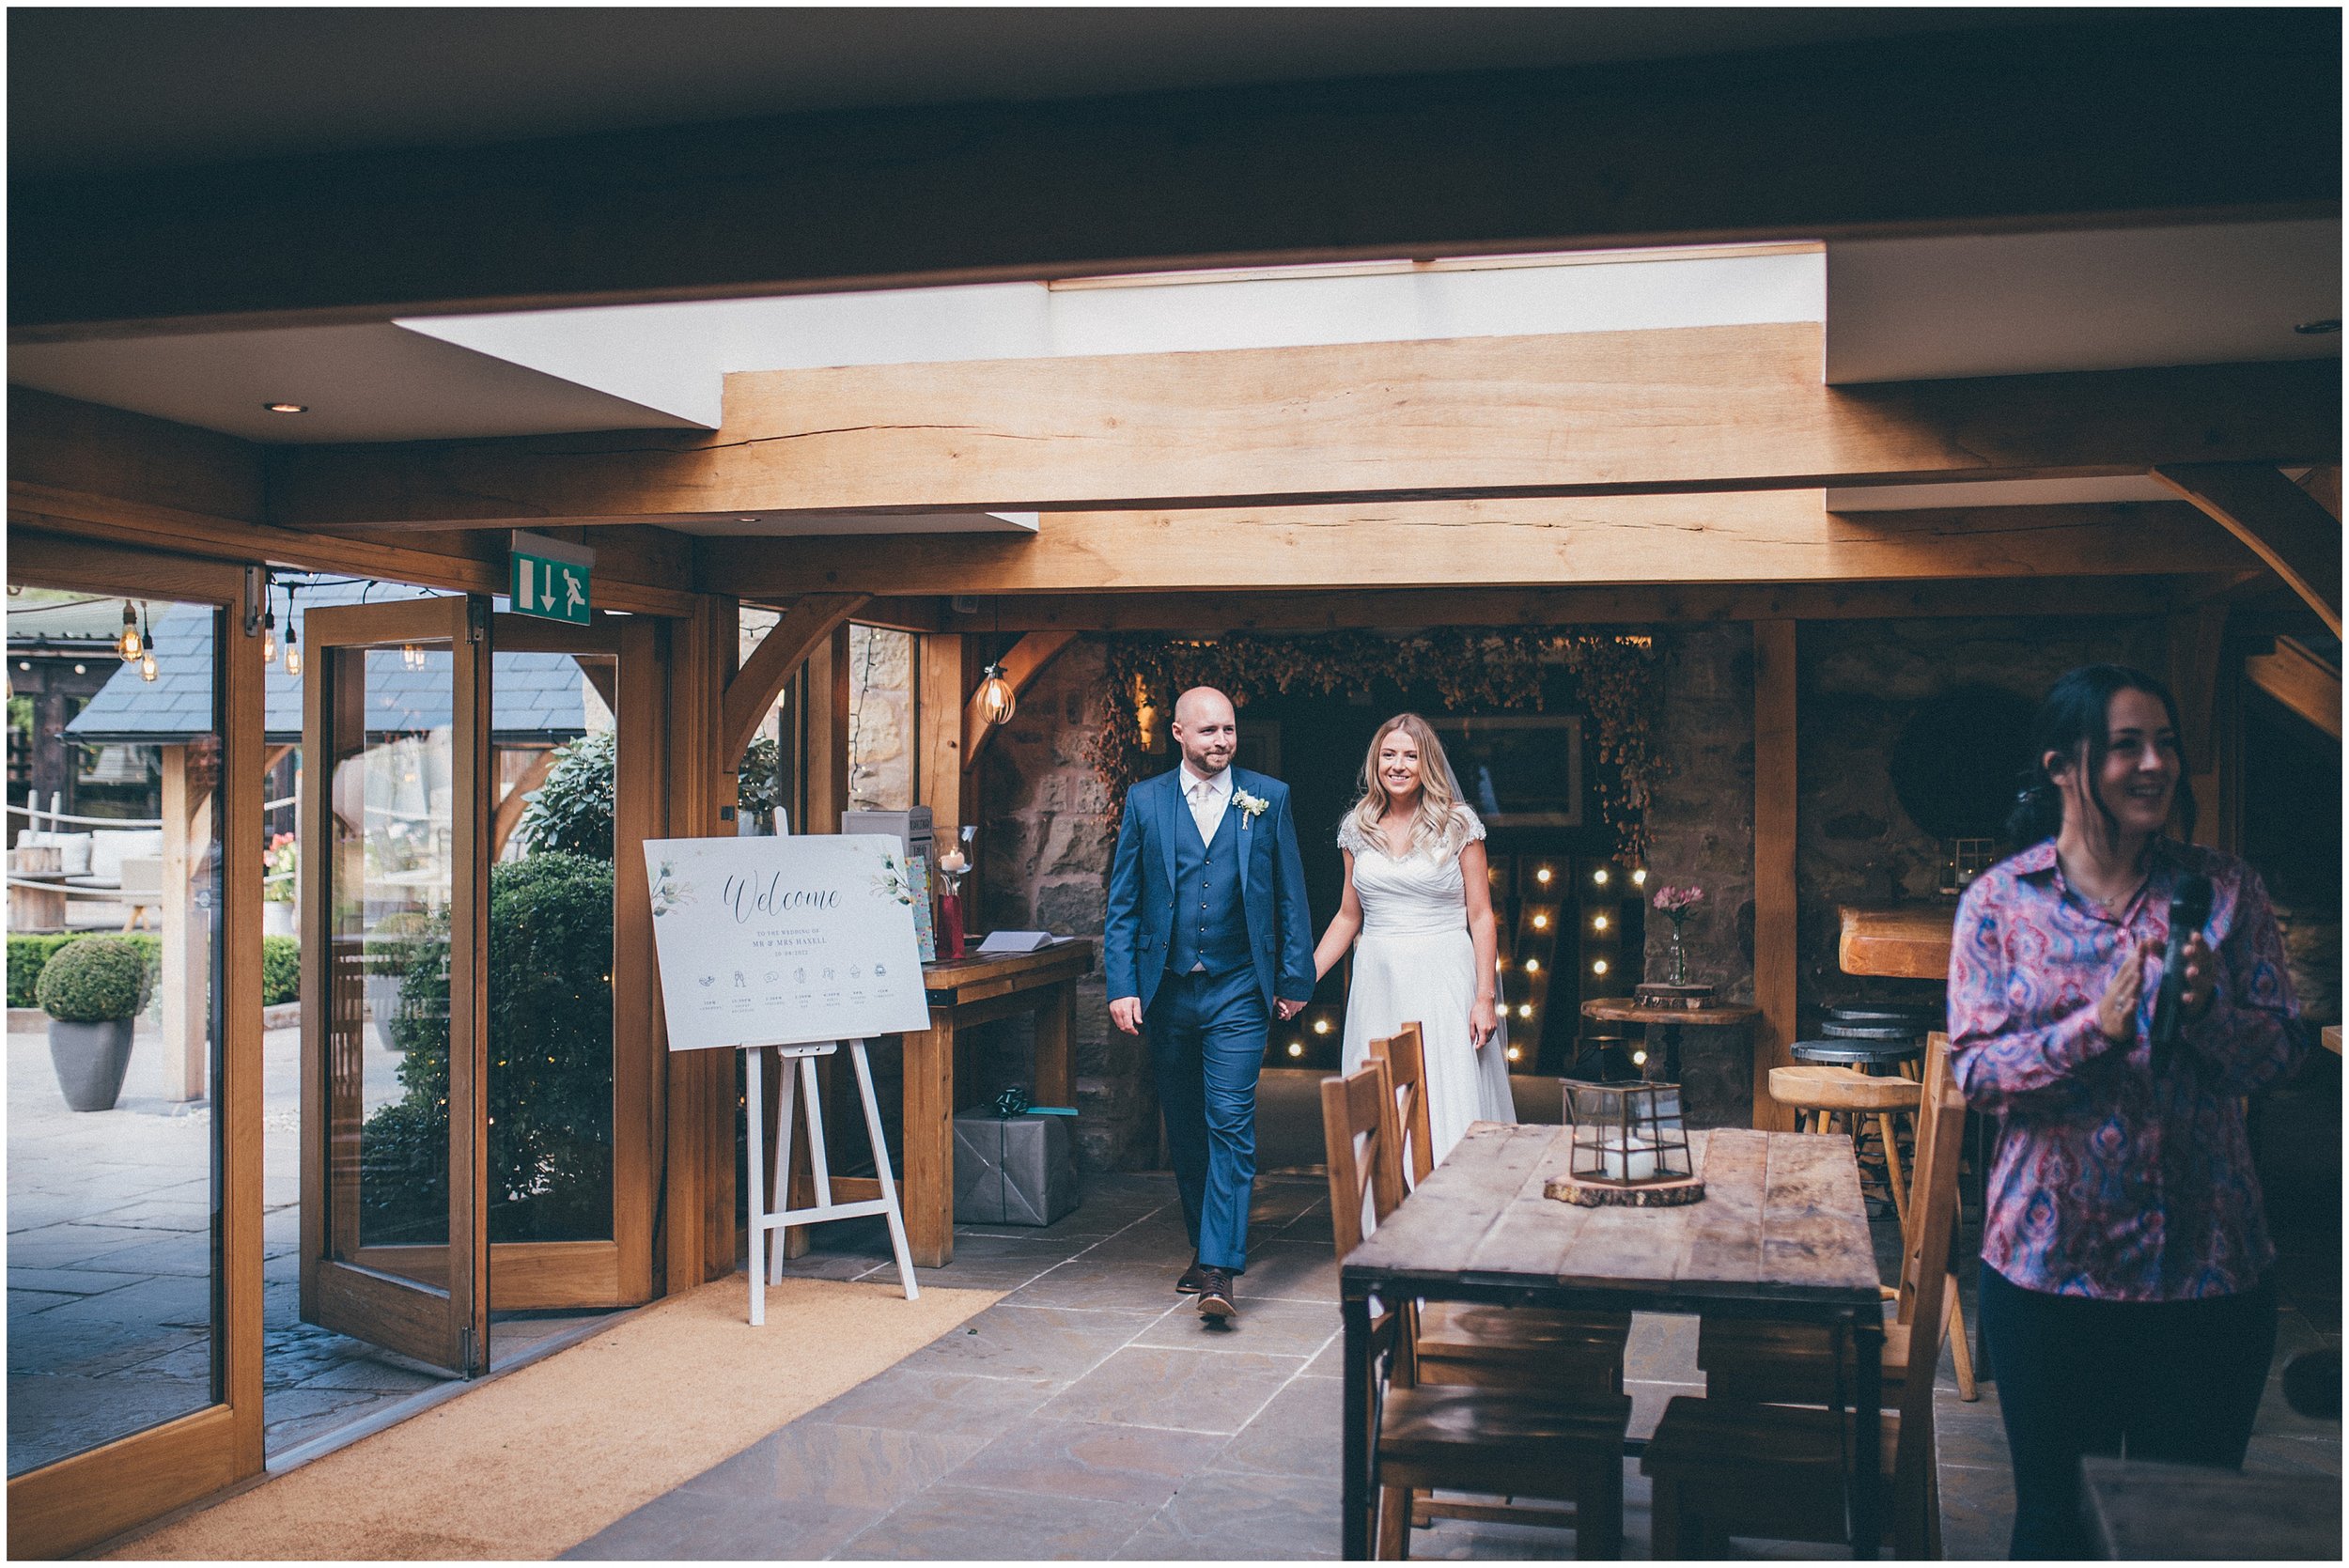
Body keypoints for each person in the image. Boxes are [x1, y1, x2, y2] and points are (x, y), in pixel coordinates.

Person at [1949, 664, 2303, 1560]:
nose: (2156, 763)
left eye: (2167, 743)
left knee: (2183, 1536)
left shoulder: (2227, 894)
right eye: (2127, 745)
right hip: (2048, 1279)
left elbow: (2284, 1057)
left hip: (2209, 1282)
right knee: (2055, 1528)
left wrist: (2213, 1010)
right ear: (2064, 766)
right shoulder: (1998, 906)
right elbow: (1979, 1074)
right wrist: (2093, 1028)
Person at [1103, 686, 1315, 1323]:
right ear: (1177, 734)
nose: (1221, 740)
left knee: (1229, 1118)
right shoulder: (1145, 801)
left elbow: (1289, 895)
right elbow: (1124, 903)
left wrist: (1294, 977)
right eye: (1208, 731)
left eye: (1228, 729)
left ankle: (1220, 1268)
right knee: (1187, 1126)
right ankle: (1204, 1241)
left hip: (1238, 988)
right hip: (1167, 989)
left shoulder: (1268, 797)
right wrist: (1122, 983)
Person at [1314, 712, 1514, 1165]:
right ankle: (1382, 1211)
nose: (1398, 765)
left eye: (1410, 755)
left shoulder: (1459, 824)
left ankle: (1451, 1208)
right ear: (1376, 762)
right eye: (1389, 755)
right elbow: (1348, 917)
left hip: (1443, 975)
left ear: (1427, 765)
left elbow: (1481, 917)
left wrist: (1485, 998)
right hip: (1378, 979)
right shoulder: (1357, 826)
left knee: (1445, 1088)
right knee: (1378, 1089)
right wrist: (1303, 978)